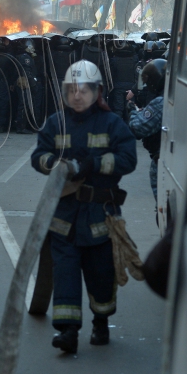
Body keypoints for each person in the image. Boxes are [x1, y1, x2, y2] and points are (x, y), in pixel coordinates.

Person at [31, 60, 138, 353]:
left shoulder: (112, 123)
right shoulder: (56, 123)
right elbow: (38, 155)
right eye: (72, 90)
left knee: (100, 275)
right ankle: (67, 332)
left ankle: (101, 322)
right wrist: (54, 163)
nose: (77, 96)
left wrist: (95, 164)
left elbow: (129, 159)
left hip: (100, 217)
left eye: (84, 90)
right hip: (63, 217)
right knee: (64, 273)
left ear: (97, 92)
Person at [127, 59, 166, 212]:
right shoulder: (172, 94)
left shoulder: (161, 102)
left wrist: (132, 112)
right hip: (168, 157)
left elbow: (138, 128)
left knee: (162, 209)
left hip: (161, 159)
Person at [12, 38, 39, 134]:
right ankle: (21, 127)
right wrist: (33, 84)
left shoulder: (26, 56)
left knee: (27, 105)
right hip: (25, 83)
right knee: (24, 105)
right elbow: (27, 72)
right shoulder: (25, 57)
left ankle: (28, 126)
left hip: (26, 83)